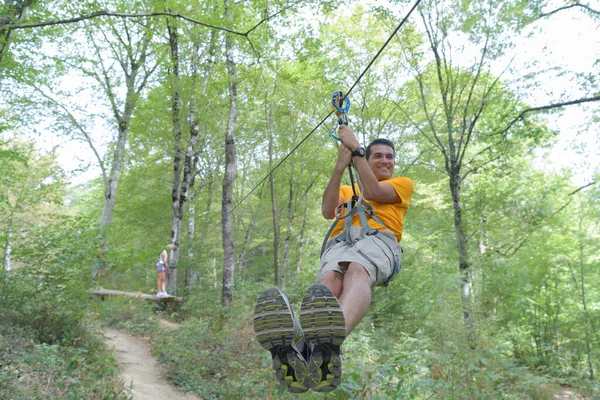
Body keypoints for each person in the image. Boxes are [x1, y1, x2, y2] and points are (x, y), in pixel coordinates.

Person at [253, 125, 414, 393]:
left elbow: (373, 192)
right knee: (328, 282)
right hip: (341, 241)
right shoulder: (348, 190)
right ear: (367, 160)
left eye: (390, 156)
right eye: (378, 156)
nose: (385, 160)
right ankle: (307, 353)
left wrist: (358, 150)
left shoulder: (401, 184)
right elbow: (328, 210)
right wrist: (340, 166)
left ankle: (326, 345)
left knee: (358, 270)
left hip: (378, 239)